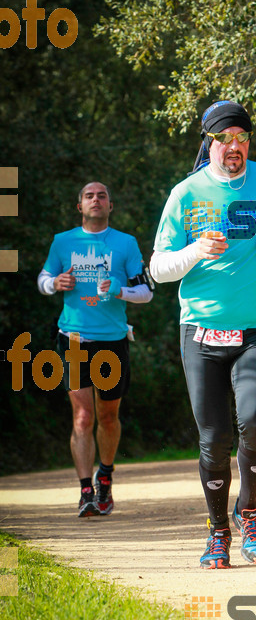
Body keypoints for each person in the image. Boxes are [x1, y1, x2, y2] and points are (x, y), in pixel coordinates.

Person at [150, 100, 256, 568]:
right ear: (209, 141)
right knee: (214, 438)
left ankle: (249, 510)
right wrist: (196, 249)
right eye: (224, 139)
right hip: (201, 332)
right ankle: (218, 530)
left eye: (241, 138)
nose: (234, 147)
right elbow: (158, 269)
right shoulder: (185, 194)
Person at [38, 182, 153, 518]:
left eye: (101, 195)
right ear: (80, 207)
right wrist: (53, 284)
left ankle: (105, 473)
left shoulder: (125, 243)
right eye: (89, 196)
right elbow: (44, 277)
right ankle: (86, 490)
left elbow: (146, 292)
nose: (96, 200)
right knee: (83, 416)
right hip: (73, 338)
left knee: (108, 415)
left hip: (112, 340)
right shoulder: (63, 242)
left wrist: (119, 290)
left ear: (110, 205)